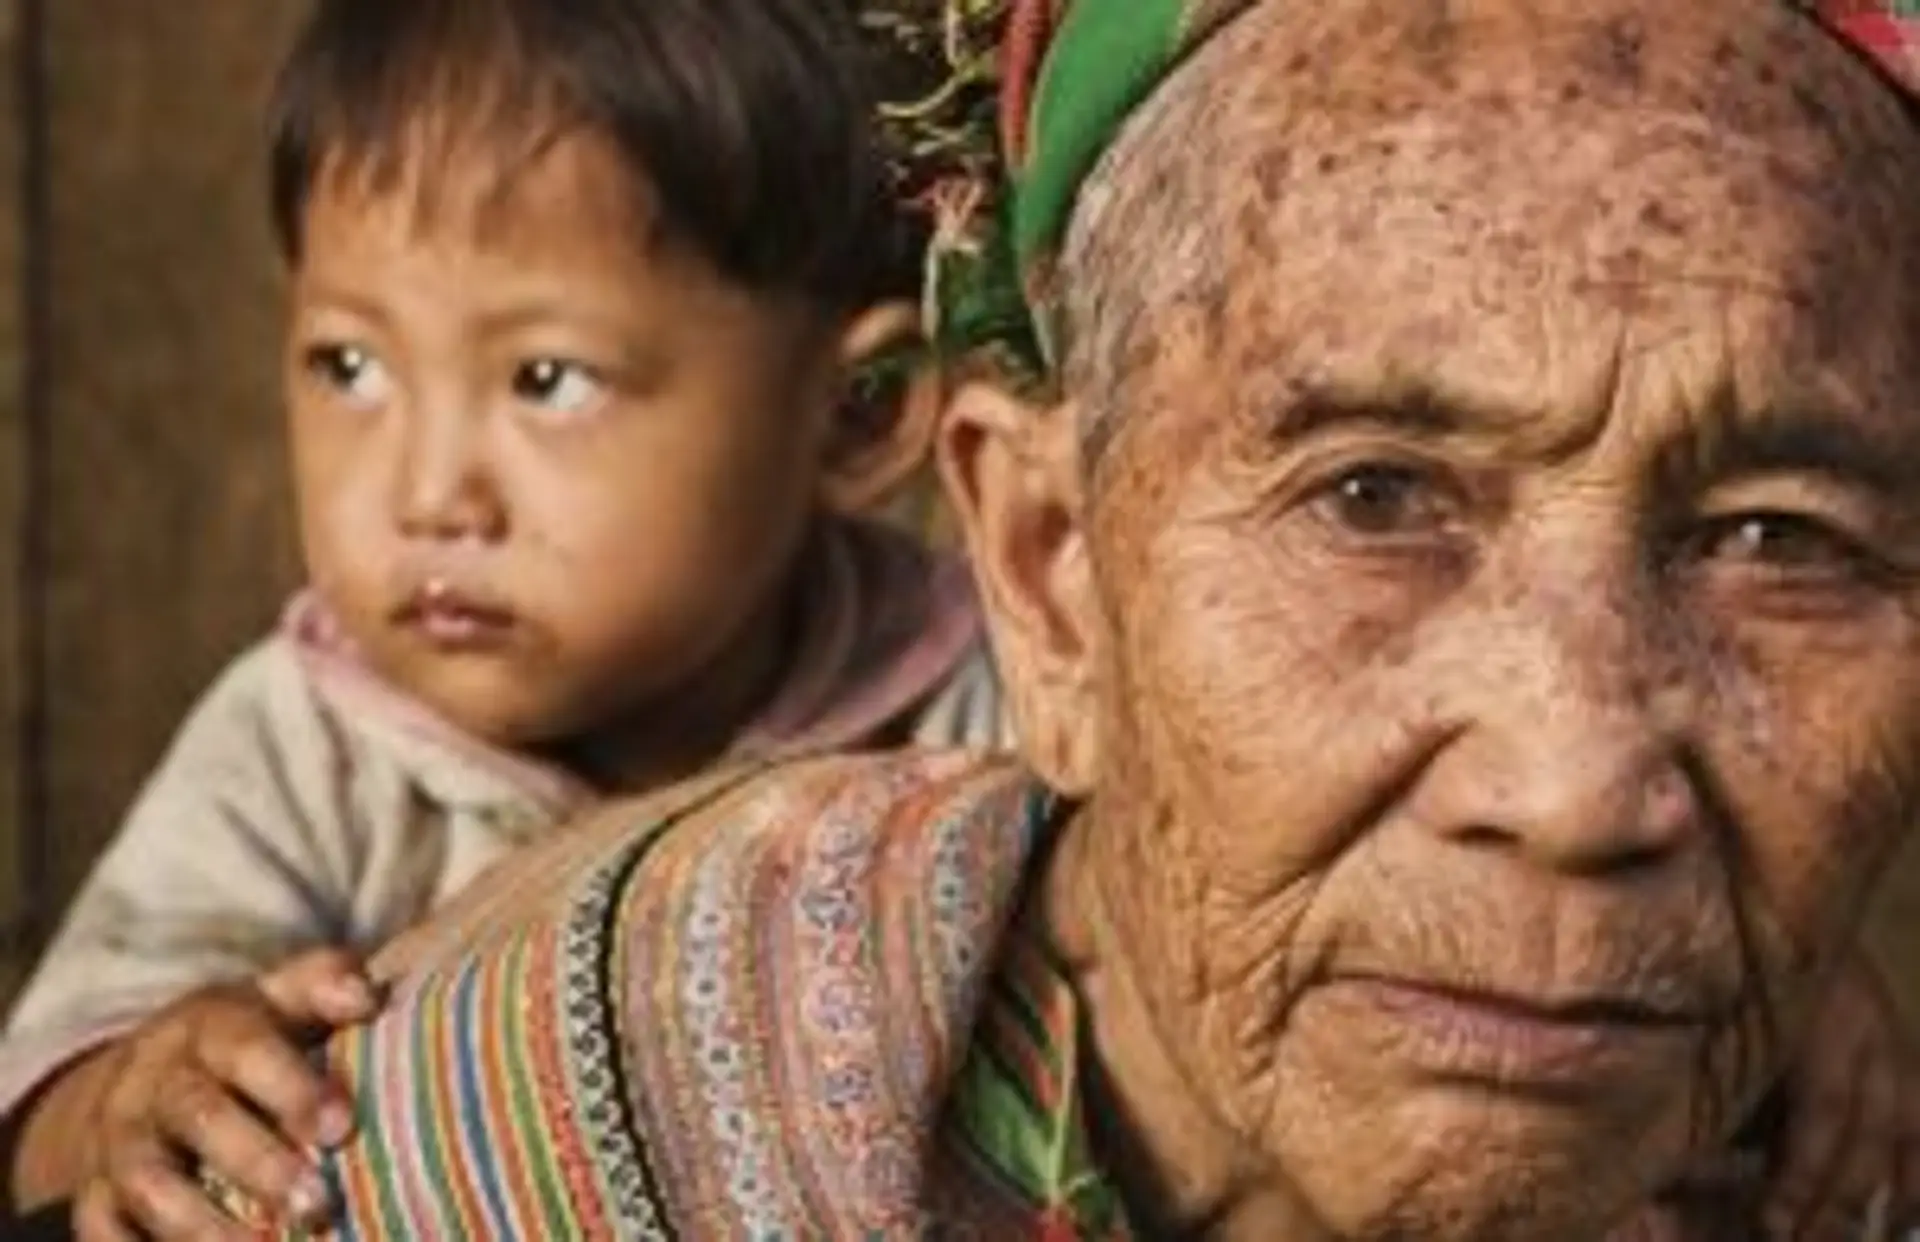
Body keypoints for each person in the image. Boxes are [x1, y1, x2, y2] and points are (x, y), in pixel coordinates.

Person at [172, 0, 1920, 1238]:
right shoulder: (539, 1115)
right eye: (1375, 499)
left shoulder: (1833, 1159)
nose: (1574, 785)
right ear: (1048, 568)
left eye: (1780, 539)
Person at [0, 0, 1008, 1231]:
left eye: (546, 380)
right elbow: (45, 1121)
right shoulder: (309, 747)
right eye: (349, 366)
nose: (429, 495)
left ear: (858, 412)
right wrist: (139, 1096)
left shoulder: (987, 711)